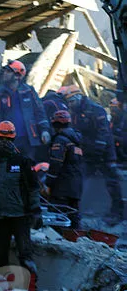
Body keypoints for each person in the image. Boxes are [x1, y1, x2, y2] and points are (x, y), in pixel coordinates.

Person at [0, 121, 41, 275]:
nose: (4, 142)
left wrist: (36, 211)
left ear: (13, 140)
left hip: (20, 216)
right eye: (1, 139)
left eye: (8, 139)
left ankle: (30, 287)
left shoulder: (23, 162)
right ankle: (1, 286)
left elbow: (33, 189)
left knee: (25, 255)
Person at [64, 85, 123, 223]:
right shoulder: (74, 112)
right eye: (68, 102)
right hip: (88, 153)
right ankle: (78, 209)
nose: (70, 105)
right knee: (80, 180)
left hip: (104, 153)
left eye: (71, 101)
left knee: (112, 182)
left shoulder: (96, 110)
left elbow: (103, 134)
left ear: (78, 97)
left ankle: (118, 212)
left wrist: (97, 152)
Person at [0, 60, 50, 160]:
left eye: (8, 71)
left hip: (28, 138)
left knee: (28, 164)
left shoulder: (29, 91)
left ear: (17, 76)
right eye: (5, 71)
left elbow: (39, 112)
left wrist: (44, 130)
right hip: (9, 138)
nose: (4, 73)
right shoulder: (0, 94)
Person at [46, 110, 83, 229]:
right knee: (73, 215)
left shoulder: (60, 140)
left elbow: (56, 163)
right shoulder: (76, 140)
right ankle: (76, 236)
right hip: (76, 185)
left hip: (62, 186)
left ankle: (61, 238)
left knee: (58, 217)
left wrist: (48, 183)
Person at [110, 98, 127, 164]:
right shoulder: (113, 117)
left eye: (114, 107)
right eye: (111, 107)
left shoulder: (123, 116)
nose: (113, 109)